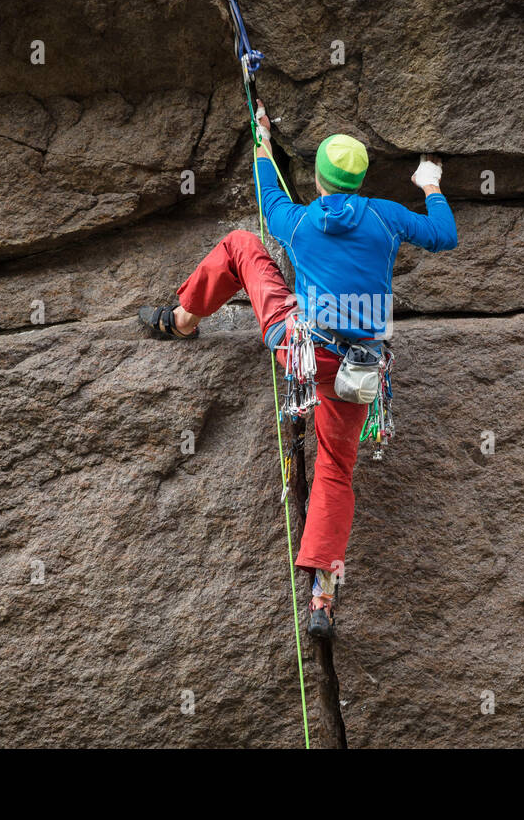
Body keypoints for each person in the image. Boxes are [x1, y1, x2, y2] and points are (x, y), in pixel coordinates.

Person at [139, 100, 457, 638]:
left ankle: (183, 320)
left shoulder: (303, 222)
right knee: (335, 469)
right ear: (358, 182)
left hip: (303, 350)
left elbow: (269, 199)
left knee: (241, 245)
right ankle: (322, 597)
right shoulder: (386, 215)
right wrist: (429, 185)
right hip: (359, 370)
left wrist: (262, 138)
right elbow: (444, 235)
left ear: (320, 179)